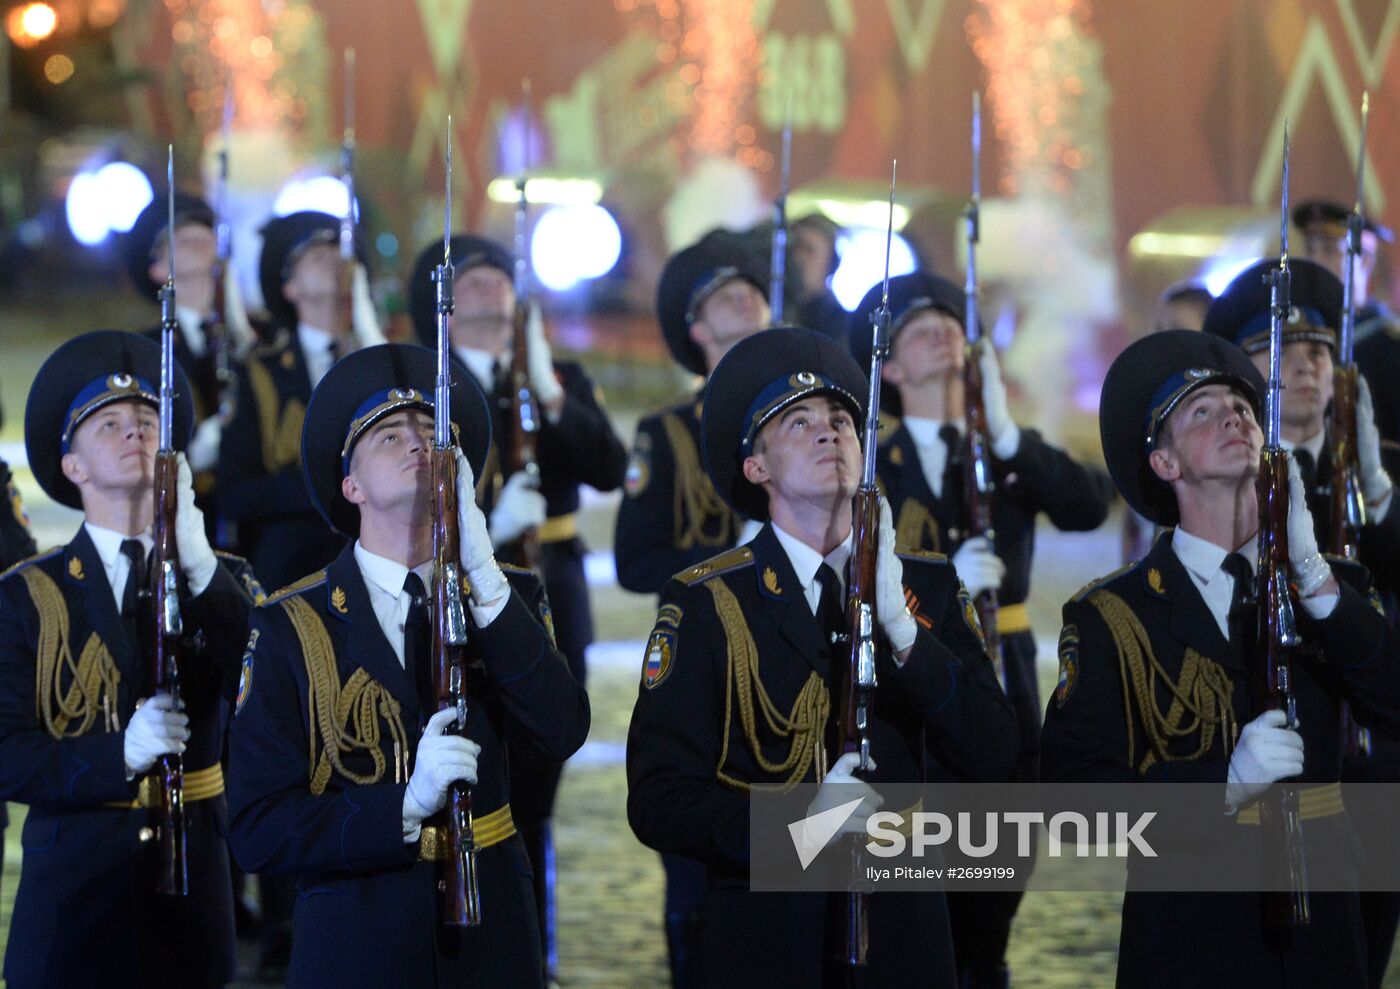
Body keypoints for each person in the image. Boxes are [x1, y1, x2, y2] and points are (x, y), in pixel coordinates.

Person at [626, 325, 1019, 988]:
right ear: (756, 467)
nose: (828, 431)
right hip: (767, 935)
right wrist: (799, 829)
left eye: (842, 419)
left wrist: (903, 630)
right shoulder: (707, 602)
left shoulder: (924, 587)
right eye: (798, 420)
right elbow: (660, 799)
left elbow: (996, 751)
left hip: (906, 932)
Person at [1040, 328, 1400, 987]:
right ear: (1165, 463)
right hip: (1190, 932)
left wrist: (1315, 575)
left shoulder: (1331, 585)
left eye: (1240, 405)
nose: (1234, 414)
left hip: (1326, 930)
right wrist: (1221, 788)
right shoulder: (1112, 615)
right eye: (1201, 411)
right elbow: (1076, 805)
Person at [227, 343, 590, 988]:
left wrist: (482, 577)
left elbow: (560, 731)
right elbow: (258, 828)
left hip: (493, 943)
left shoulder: (511, 598)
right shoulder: (290, 623)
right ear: (351, 485)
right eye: (389, 435)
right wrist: (399, 807)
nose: (419, 444)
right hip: (356, 942)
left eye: (433, 432)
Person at [850, 271, 1112, 987]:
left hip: (1009, 671)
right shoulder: (869, 460)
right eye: (918, 329)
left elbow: (1089, 503)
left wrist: (1002, 429)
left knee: (998, 866)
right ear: (891, 367)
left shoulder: (1004, 449)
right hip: (910, 688)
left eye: (950, 325)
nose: (942, 332)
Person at [0, 330, 262, 989]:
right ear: (72, 466)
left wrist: (202, 571)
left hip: (192, 900)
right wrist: (113, 755)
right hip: (71, 903)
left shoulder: (226, 579)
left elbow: (266, 694)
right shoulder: (28, 595)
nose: (135, 432)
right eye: (109, 423)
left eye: (149, 420)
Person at [406, 233, 625, 979]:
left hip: (550, 588)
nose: (492, 289)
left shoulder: (551, 377)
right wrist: (489, 525)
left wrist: (547, 385)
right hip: (456, 594)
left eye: (501, 276)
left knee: (541, 771)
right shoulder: (431, 388)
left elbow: (607, 465)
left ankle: (537, 939)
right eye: (473, 280)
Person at [1203, 258, 1400, 987]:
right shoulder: (1221, 476)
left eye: (1318, 352)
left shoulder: (1380, 474)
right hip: (1276, 745)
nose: (1304, 368)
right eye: (1278, 353)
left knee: (1362, 952)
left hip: (1379, 756)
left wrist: (1378, 496)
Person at [216, 208, 383, 974]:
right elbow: (241, 487)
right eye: (316, 255)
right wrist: (338, 491)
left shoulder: (384, 361)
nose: (334, 265)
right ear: (286, 282)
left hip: (376, 588)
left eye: (340, 252)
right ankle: (286, 925)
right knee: (290, 755)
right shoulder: (260, 372)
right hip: (292, 588)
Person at [613, 232, 772, 984]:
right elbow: (635, 561)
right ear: (696, 331)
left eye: (752, 290)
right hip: (703, 655)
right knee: (697, 837)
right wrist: (730, 558)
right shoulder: (668, 432)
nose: (745, 299)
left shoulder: (811, 425)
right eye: (723, 297)